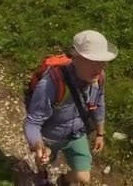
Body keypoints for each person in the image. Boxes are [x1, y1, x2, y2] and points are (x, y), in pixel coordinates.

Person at [24, 30, 118, 186]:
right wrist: (38, 145)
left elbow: (99, 102)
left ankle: (64, 181)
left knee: (83, 178)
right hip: (49, 138)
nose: (99, 68)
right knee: (43, 159)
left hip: (76, 135)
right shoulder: (50, 85)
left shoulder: (99, 77)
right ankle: (42, 174)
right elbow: (32, 122)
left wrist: (100, 133)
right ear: (75, 58)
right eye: (92, 61)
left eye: (102, 61)